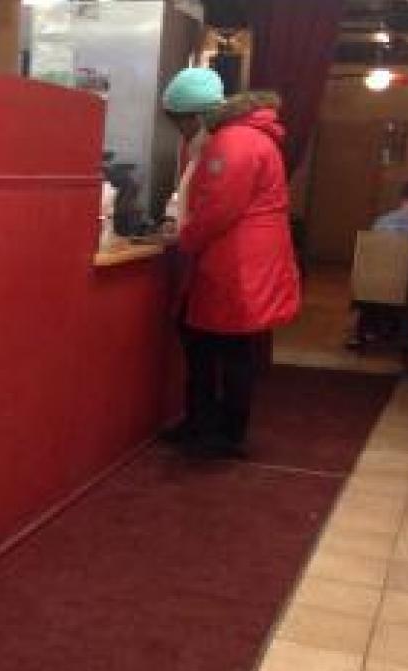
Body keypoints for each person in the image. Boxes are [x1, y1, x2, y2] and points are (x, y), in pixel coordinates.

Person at [161, 67, 301, 458]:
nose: (182, 132)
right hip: (246, 260)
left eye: (181, 122)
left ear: (194, 115)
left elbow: (217, 208)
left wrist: (185, 239)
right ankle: (211, 426)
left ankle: (218, 433)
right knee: (223, 347)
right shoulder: (250, 136)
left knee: (218, 348)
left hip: (235, 262)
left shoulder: (232, 142)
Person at [346, 179, 408, 350]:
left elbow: (372, 257)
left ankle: (361, 331)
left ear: (403, 198)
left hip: (379, 288)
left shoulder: (383, 221)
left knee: (368, 279)